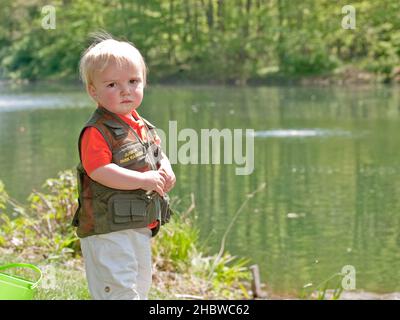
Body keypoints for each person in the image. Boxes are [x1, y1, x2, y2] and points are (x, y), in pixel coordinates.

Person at [72, 33, 176, 300]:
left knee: (140, 284)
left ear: (144, 83)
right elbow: (100, 171)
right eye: (112, 84)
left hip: (137, 224)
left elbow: (156, 154)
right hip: (107, 229)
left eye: (133, 81)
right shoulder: (97, 131)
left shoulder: (143, 126)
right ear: (93, 91)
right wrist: (142, 180)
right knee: (119, 289)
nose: (125, 90)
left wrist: (165, 168)